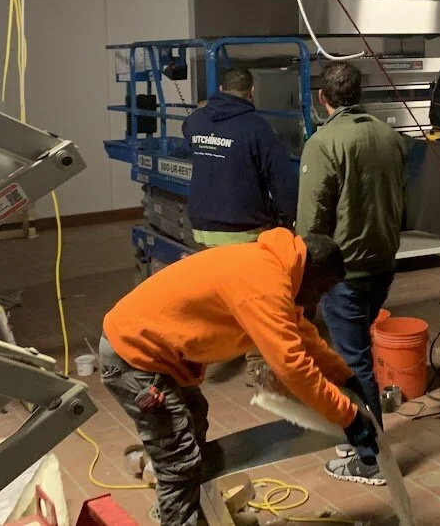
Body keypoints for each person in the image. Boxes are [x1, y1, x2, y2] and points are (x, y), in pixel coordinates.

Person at [100, 229, 378, 526]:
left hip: (157, 352)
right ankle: (179, 516)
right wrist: (347, 417)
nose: (316, 302)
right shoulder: (266, 286)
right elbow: (293, 366)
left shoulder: (278, 268)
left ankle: (193, 511)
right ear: (312, 270)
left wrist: (345, 378)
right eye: (320, 290)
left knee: (194, 418)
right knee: (178, 459)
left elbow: (304, 338)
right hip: (134, 355)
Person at [296, 61, 408, 485]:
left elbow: (312, 221)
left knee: (352, 362)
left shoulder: (323, 143)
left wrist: (302, 270)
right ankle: (355, 430)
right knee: (356, 350)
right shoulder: (389, 136)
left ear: (322, 98)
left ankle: (371, 457)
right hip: (384, 261)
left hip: (345, 270)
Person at [182, 67, 298, 247]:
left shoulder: (195, 121)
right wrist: (294, 219)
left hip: (202, 225)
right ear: (252, 91)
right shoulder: (258, 128)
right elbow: (281, 181)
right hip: (243, 227)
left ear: (221, 89)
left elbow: (189, 132)